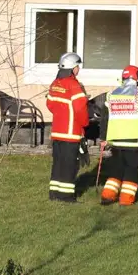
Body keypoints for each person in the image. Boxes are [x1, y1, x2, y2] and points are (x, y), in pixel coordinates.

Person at [100, 65, 138, 206]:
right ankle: (126, 200)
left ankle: (107, 196)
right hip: (134, 141)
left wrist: (103, 139)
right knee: (131, 171)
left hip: (116, 142)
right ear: (136, 78)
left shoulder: (111, 95)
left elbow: (104, 119)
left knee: (116, 170)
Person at [46, 52, 89, 202]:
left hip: (57, 132)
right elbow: (80, 108)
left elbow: (50, 104)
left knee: (58, 162)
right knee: (69, 164)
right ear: (72, 68)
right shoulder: (73, 85)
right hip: (71, 132)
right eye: (77, 66)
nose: (78, 69)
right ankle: (66, 196)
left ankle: (54, 193)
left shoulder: (55, 83)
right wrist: (85, 123)